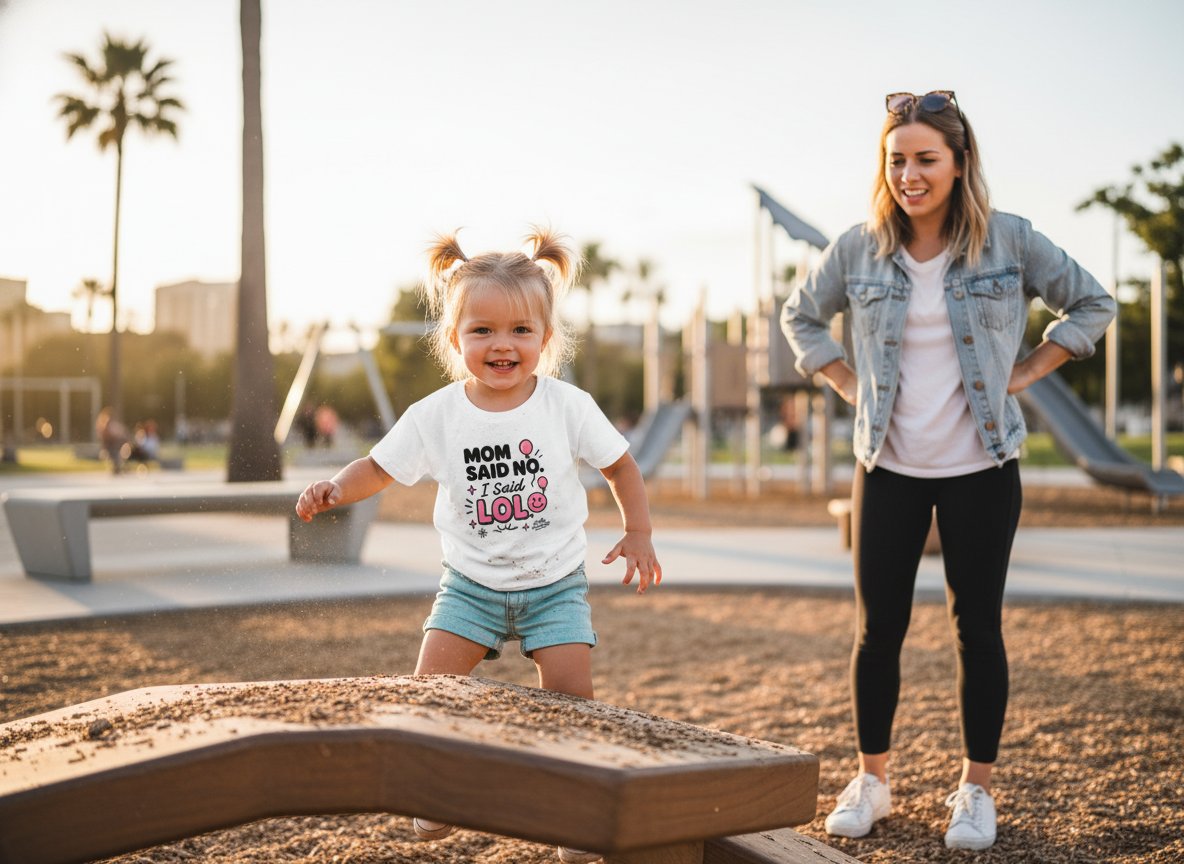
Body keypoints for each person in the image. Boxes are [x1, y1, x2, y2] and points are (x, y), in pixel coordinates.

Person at [781, 90, 1115, 851]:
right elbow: (800, 315)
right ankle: (872, 781)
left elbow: (1093, 303)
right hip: (887, 467)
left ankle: (975, 791)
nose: (909, 175)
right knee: (878, 631)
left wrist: (1030, 369)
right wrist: (842, 380)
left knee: (978, 630)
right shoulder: (857, 250)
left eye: (926, 159)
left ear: (960, 163)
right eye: (896, 160)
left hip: (982, 466)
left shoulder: (1010, 242)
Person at [296, 227, 661, 864]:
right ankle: (436, 798)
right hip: (470, 587)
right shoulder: (436, 415)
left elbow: (621, 465)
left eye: (521, 330)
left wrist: (638, 531)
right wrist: (334, 487)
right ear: (455, 338)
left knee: (573, 700)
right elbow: (378, 469)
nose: (503, 344)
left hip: (555, 586)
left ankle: (573, 816)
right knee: (430, 691)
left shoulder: (566, 405)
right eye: (483, 330)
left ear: (546, 339)